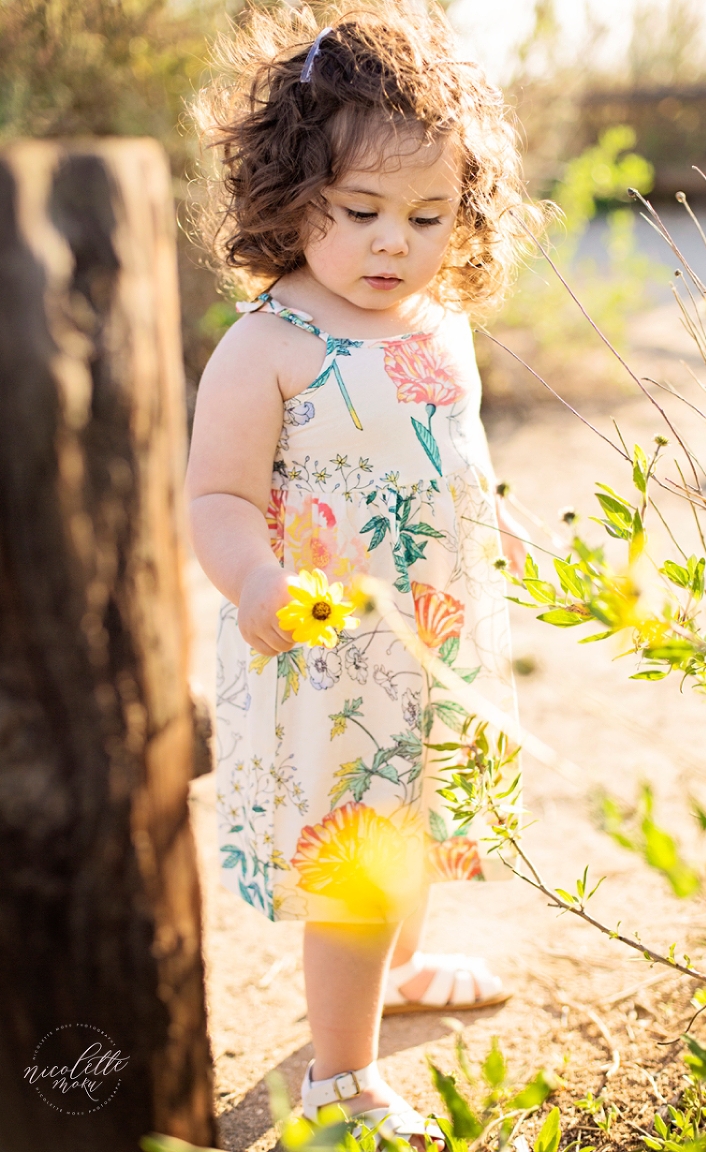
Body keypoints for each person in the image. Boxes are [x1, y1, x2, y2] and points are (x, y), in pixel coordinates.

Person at [187, 3, 544, 1144]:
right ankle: (337, 1076)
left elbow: (456, 453)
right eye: (363, 212)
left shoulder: (437, 324)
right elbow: (219, 497)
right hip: (327, 656)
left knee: (418, 815)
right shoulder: (268, 347)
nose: (398, 242)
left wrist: (503, 524)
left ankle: (396, 969)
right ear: (293, 197)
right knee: (356, 853)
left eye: (429, 215)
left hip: (431, 636)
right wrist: (251, 582)